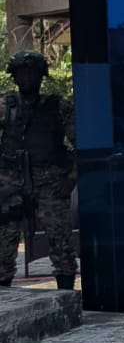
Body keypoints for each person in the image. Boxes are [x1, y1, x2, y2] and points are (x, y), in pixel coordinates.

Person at [0, 49, 75, 289]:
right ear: (14, 77)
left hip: (49, 183)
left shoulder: (58, 107)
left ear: (41, 76)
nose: (27, 78)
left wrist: (71, 179)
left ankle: (66, 295)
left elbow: (84, 144)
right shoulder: (5, 106)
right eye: (22, 74)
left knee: (61, 244)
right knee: (3, 247)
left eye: (32, 73)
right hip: (11, 183)